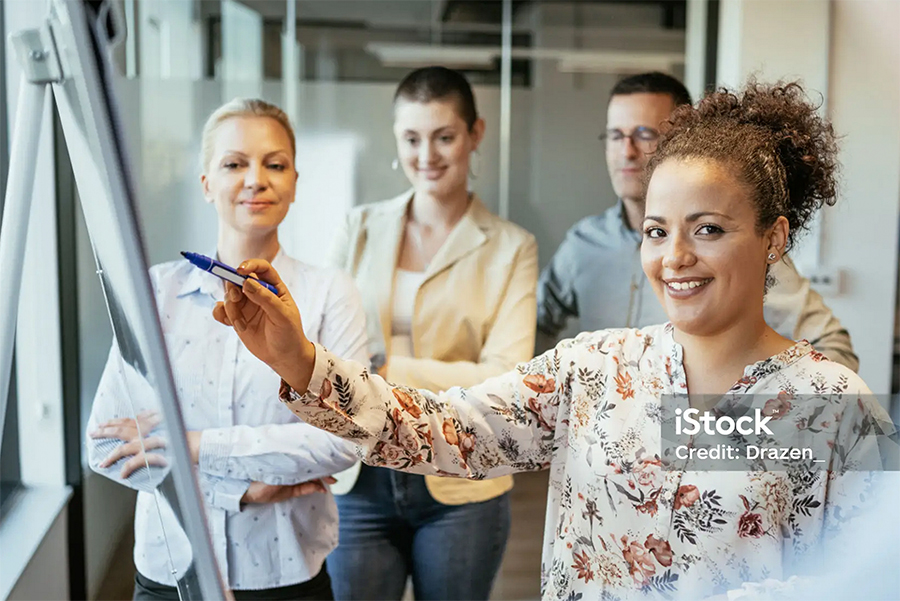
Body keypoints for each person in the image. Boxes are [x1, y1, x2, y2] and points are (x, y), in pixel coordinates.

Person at [213, 81, 893, 600]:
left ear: (773, 237)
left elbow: (868, 579)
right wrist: (298, 359)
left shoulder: (829, 404)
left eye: (708, 228)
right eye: (657, 231)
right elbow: (443, 429)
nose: (674, 256)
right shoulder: (596, 369)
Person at [86, 98, 369, 600]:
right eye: (234, 163)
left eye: (274, 164)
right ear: (206, 183)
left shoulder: (331, 294)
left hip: (287, 576)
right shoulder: (155, 293)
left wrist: (192, 445)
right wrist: (242, 492)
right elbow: (107, 446)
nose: (255, 179)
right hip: (170, 572)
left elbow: (343, 441)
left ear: (295, 182)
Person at [323, 66, 538, 601]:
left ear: (475, 134)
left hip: (463, 474)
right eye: (412, 138)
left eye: (444, 137)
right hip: (362, 472)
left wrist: (385, 372)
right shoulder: (360, 227)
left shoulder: (513, 247)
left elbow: (506, 376)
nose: (428, 155)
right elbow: (322, 344)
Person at [537, 72, 858, 370]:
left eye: (643, 134)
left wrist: (754, 417)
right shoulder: (583, 243)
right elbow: (533, 327)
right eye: (616, 136)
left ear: (680, 139)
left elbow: (832, 347)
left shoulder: (743, 252)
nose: (627, 152)